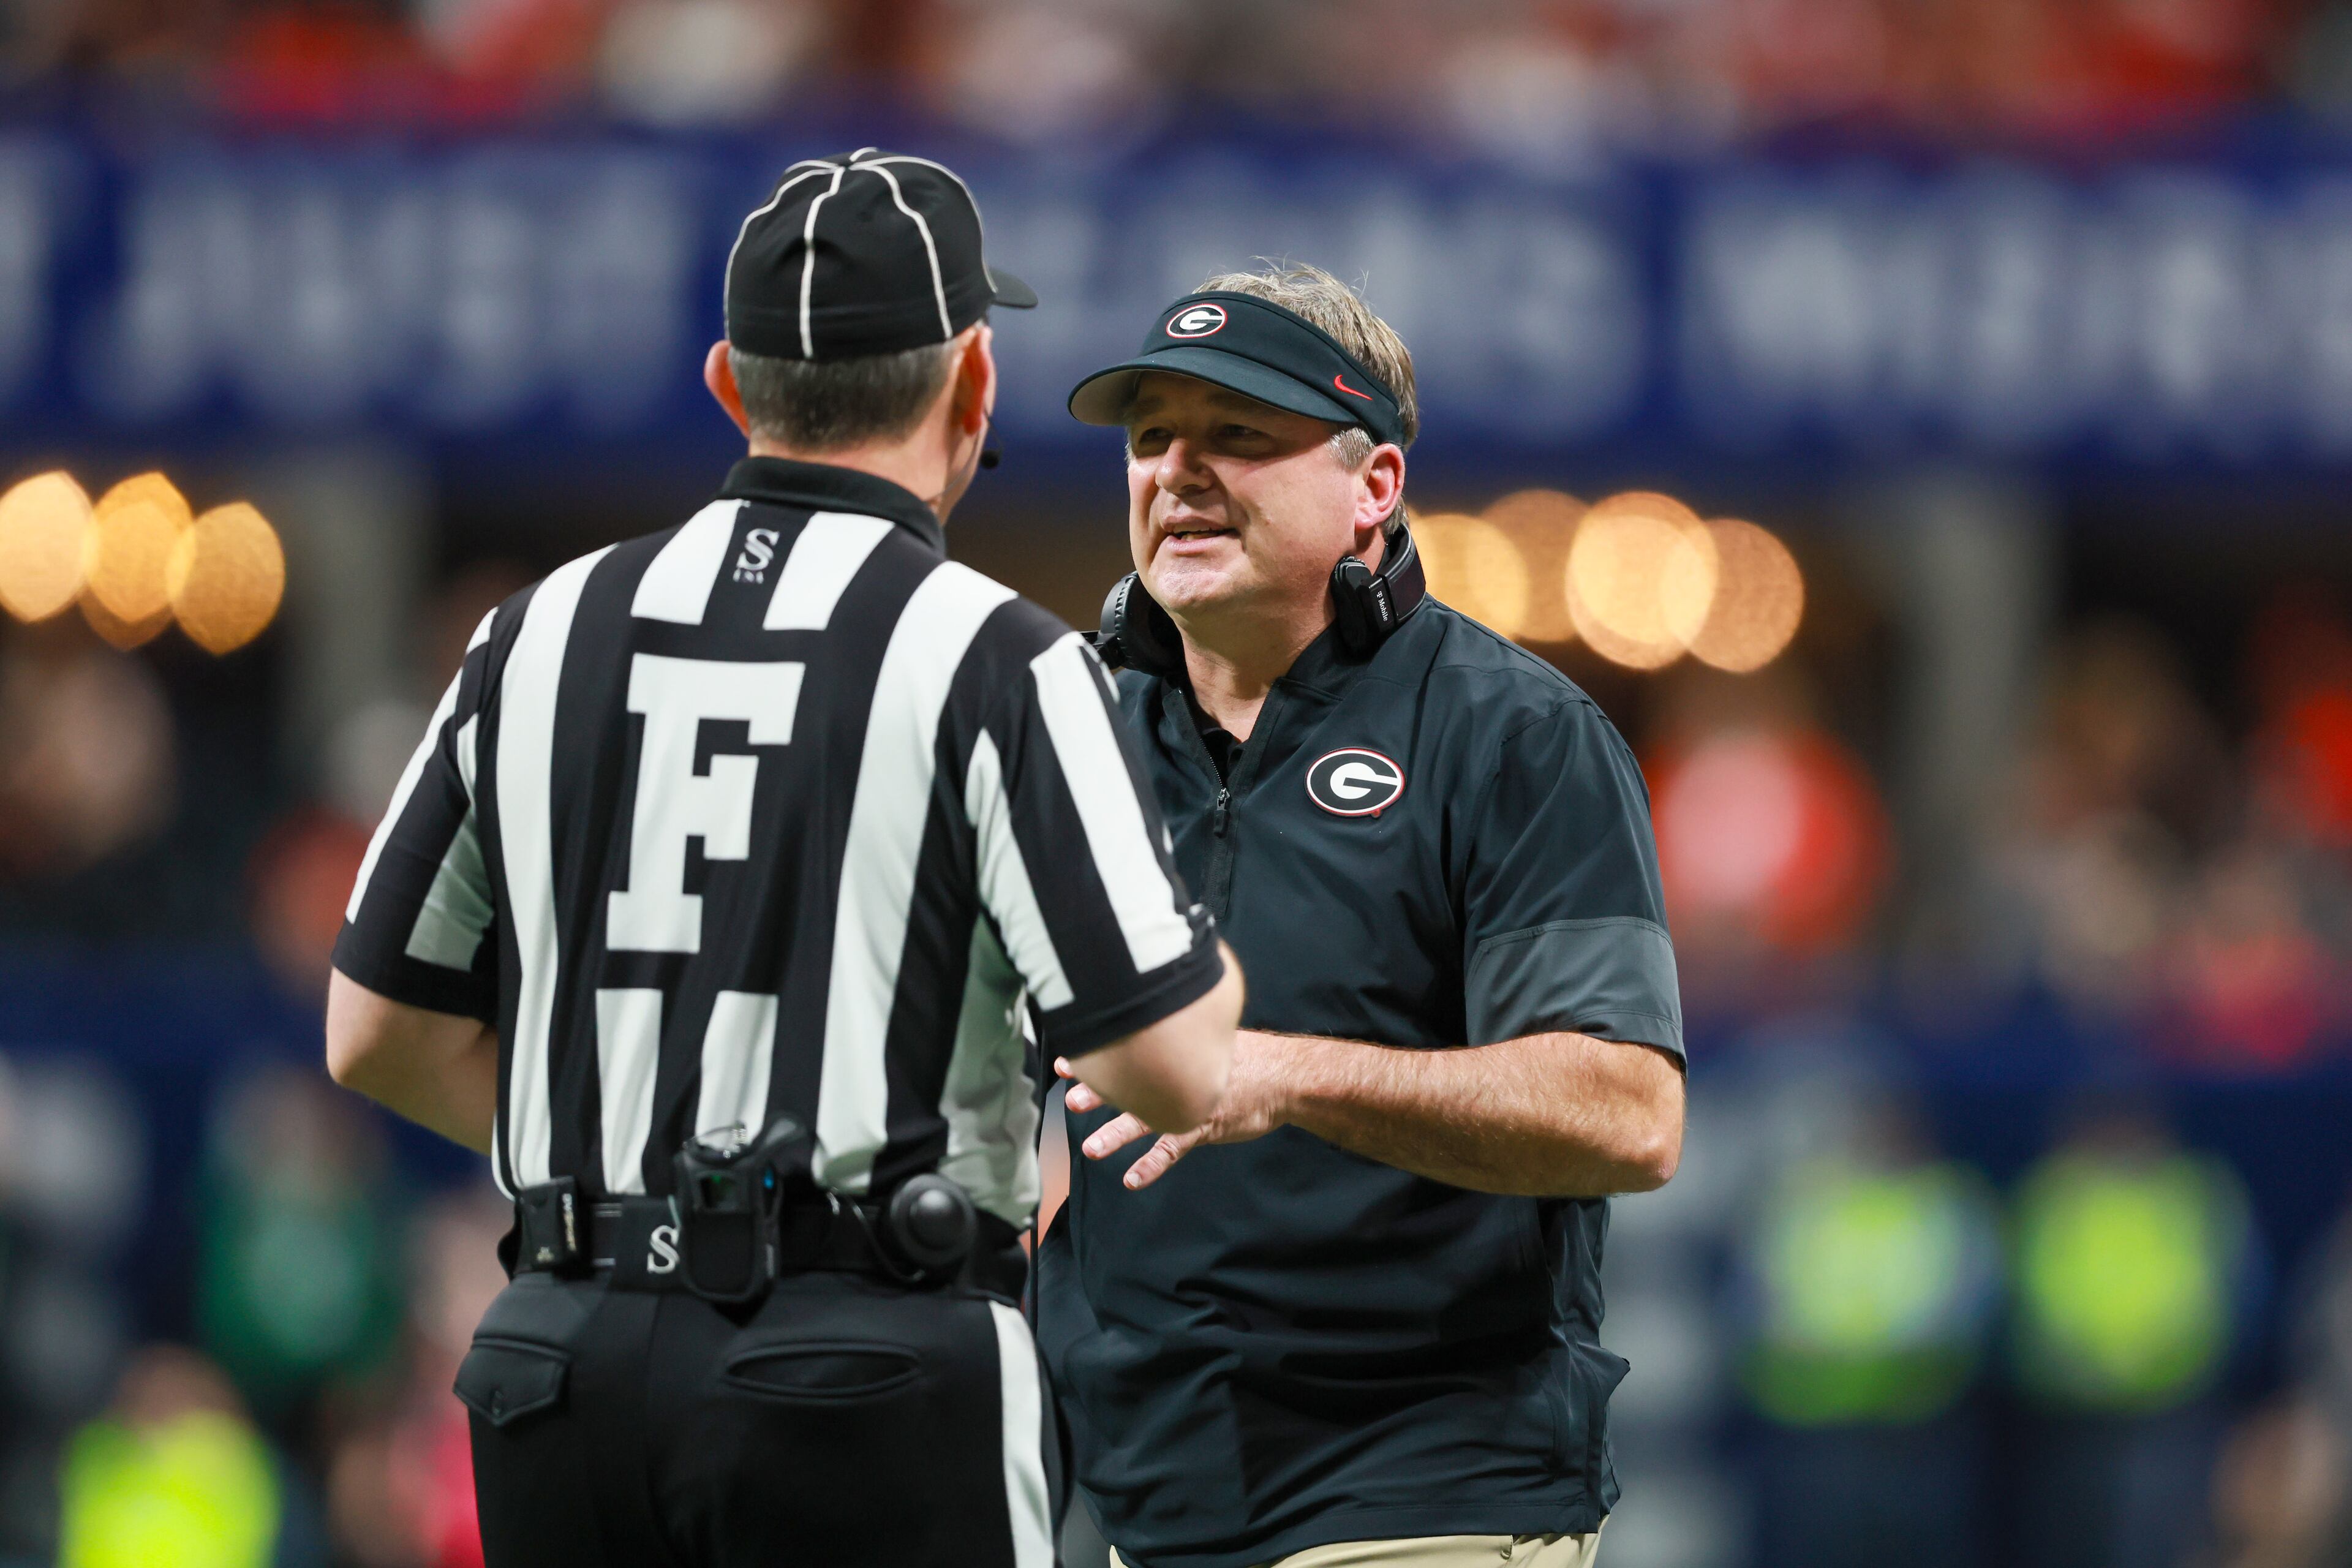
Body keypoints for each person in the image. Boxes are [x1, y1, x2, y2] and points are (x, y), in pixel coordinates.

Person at [323, 149, 1242, 1568]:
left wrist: (623, 1162)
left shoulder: (539, 629)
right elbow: (1169, 1063)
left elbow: (373, 1028)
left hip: (555, 1364)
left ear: (728, 386)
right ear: (975, 384)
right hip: (866, 1361)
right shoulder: (997, 654)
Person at [1038, 263, 1686, 1568]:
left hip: (1424, 1484)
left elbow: (1627, 1110)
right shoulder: (1071, 730)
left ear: (1373, 486)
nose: (1178, 469)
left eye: (1239, 433)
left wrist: (1283, 1075)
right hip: (1136, 1498)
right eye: (1152, 434)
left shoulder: (1513, 733)